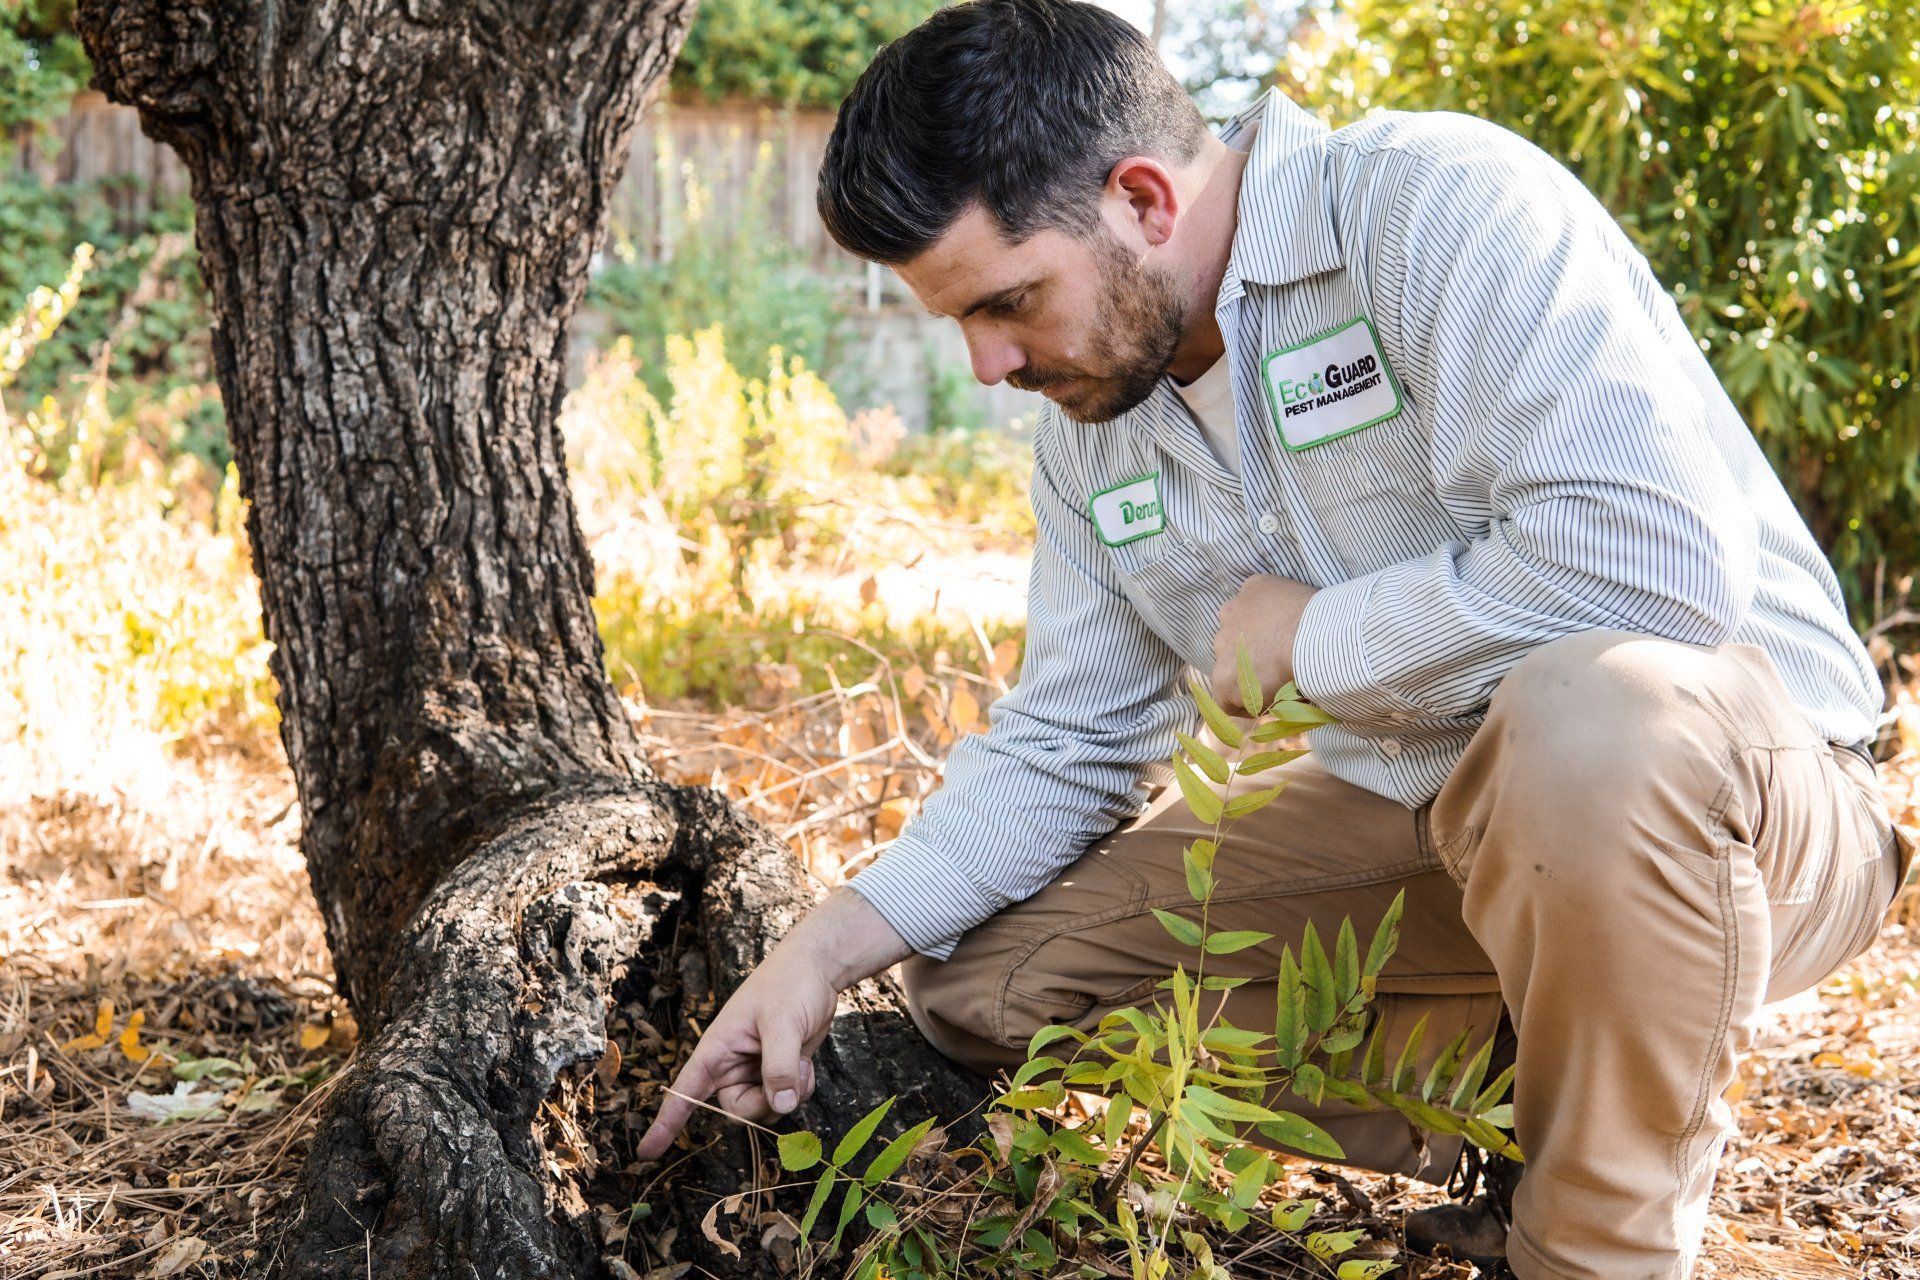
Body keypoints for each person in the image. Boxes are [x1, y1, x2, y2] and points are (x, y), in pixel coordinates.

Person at [635, 2, 1914, 1275]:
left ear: (1142, 198)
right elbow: (1070, 741)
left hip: (1752, 802)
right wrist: (823, 947)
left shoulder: (1438, 207)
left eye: (1009, 299)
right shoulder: (1095, 427)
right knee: (988, 987)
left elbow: (1656, 570)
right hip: (1440, 825)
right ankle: (1531, 1101)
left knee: (1596, 714)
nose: (985, 364)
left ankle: (1591, 1241)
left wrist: (1316, 637)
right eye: (959, 320)